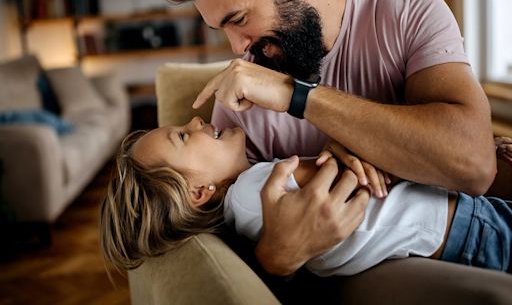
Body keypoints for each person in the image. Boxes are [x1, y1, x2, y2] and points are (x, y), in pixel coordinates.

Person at [161, 0, 497, 275]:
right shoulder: (238, 108)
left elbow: (474, 167)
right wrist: (275, 258)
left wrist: (296, 96)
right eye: (223, 30)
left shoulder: (408, 13)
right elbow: (232, 248)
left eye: (239, 19)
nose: (238, 47)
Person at [99, 117, 512, 276]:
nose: (195, 120)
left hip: (455, 232)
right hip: (465, 226)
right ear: (199, 192)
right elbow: (374, 158)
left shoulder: (246, 212)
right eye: (184, 136)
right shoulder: (256, 189)